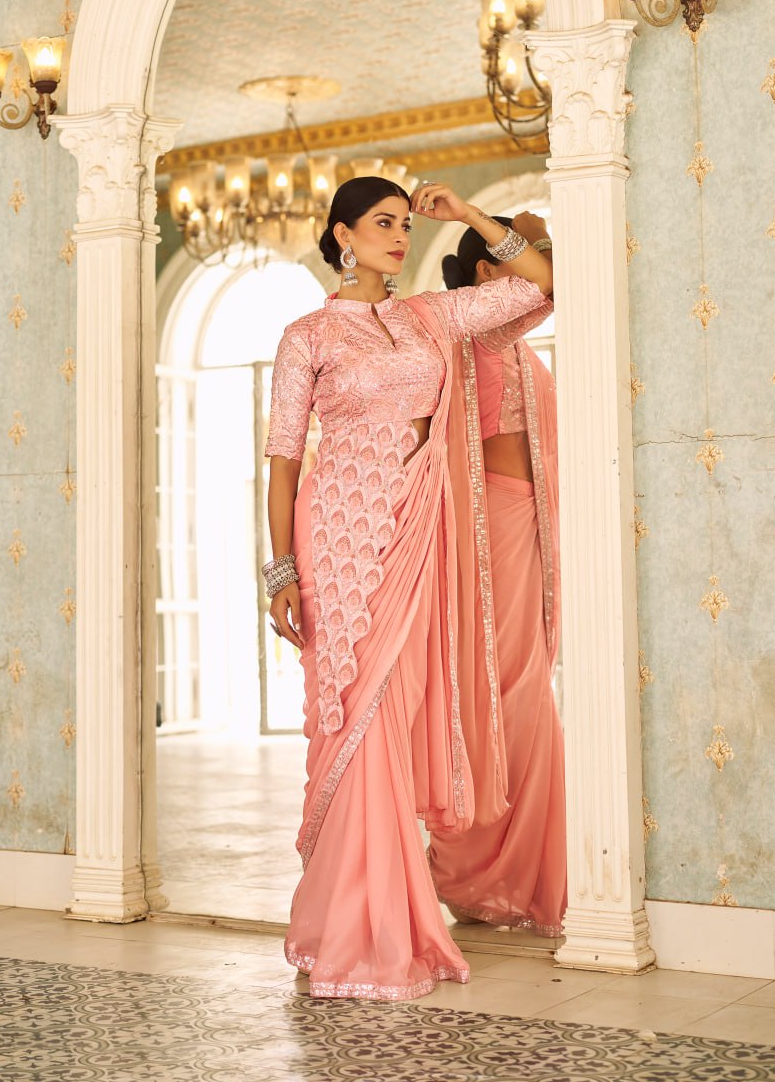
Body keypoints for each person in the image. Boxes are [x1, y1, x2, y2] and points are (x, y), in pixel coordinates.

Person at [263, 177, 552, 1000]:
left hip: (416, 528)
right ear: (342, 235)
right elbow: (284, 460)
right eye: (381, 224)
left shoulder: (427, 316)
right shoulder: (306, 335)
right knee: (358, 716)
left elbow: (536, 282)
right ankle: (359, 928)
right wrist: (279, 568)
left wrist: (462, 214)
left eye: (402, 223)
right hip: (338, 536)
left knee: (398, 707)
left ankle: (386, 916)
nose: (396, 236)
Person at [428, 214, 567, 938]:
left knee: (526, 685)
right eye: (521, 253)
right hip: (497, 527)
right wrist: (488, 223)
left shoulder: (510, 346)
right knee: (509, 691)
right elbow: (551, 287)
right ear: (486, 277)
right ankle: (485, 869)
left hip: (531, 527)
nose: (537, 262)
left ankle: (515, 869)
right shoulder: (475, 333)